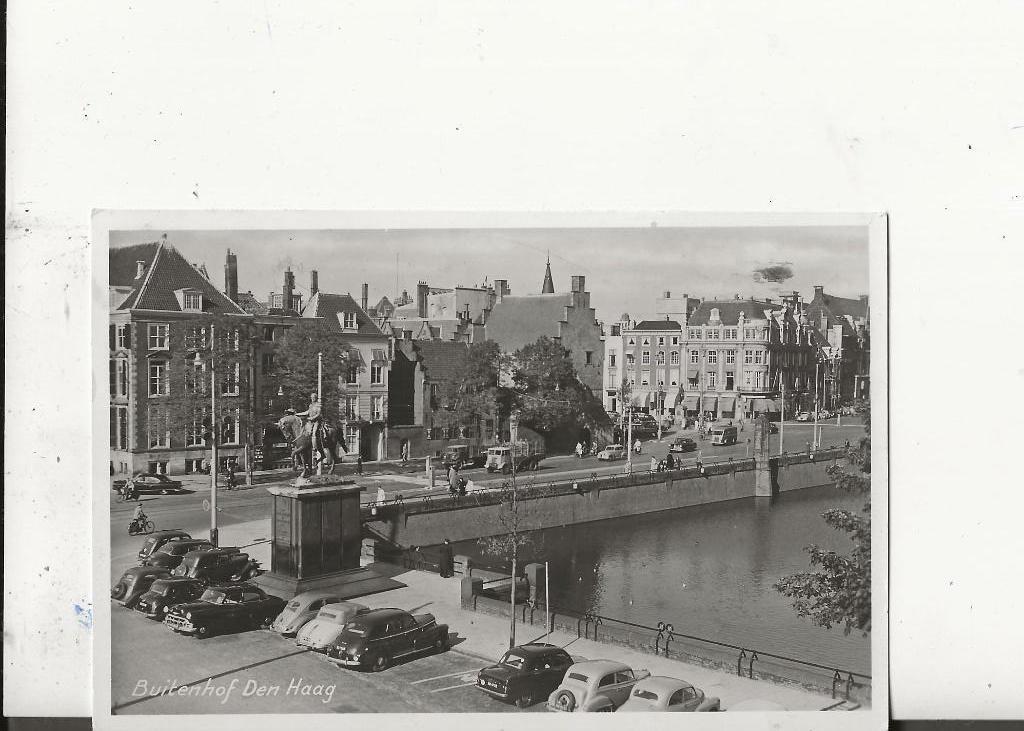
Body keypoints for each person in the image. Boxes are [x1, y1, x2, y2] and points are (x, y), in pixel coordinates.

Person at [295, 393, 326, 465]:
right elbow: (307, 412)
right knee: (303, 430)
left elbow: (318, 414)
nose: (312, 399)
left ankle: (314, 447)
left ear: (316, 398)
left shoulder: (318, 405)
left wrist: (312, 418)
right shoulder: (311, 405)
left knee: (314, 433)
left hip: (316, 422)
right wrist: (298, 414)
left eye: (313, 397)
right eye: (311, 398)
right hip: (310, 422)